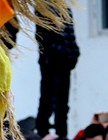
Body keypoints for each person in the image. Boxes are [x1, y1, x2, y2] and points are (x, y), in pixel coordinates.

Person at [35, 8, 80, 139]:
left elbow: (70, 35)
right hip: (51, 63)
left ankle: (62, 135)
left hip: (64, 63)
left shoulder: (64, 7)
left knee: (62, 104)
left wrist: (73, 55)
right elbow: (44, 39)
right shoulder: (43, 7)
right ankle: (43, 134)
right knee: (47, 102)